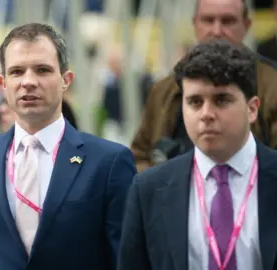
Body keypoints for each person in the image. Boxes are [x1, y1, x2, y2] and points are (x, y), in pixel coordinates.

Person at [0, 23, 136, 270]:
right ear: (3, 83)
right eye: (17, 72)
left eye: (42, 70)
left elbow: (126, 259)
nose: (28, 82)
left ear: (66, 80)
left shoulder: (109, 163)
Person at [118, 39, 277, 270]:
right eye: (195, 102)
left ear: (252, 109)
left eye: (221, 100)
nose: (206, 114)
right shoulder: (149, 190)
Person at [131, 0, 277, 172]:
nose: (217, 31)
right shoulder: (164, 90)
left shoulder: (272, 86)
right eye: (208, 20)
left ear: (246, 25)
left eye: (227, 21)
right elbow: (139, 155)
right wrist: (163, 188)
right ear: (195, 24)